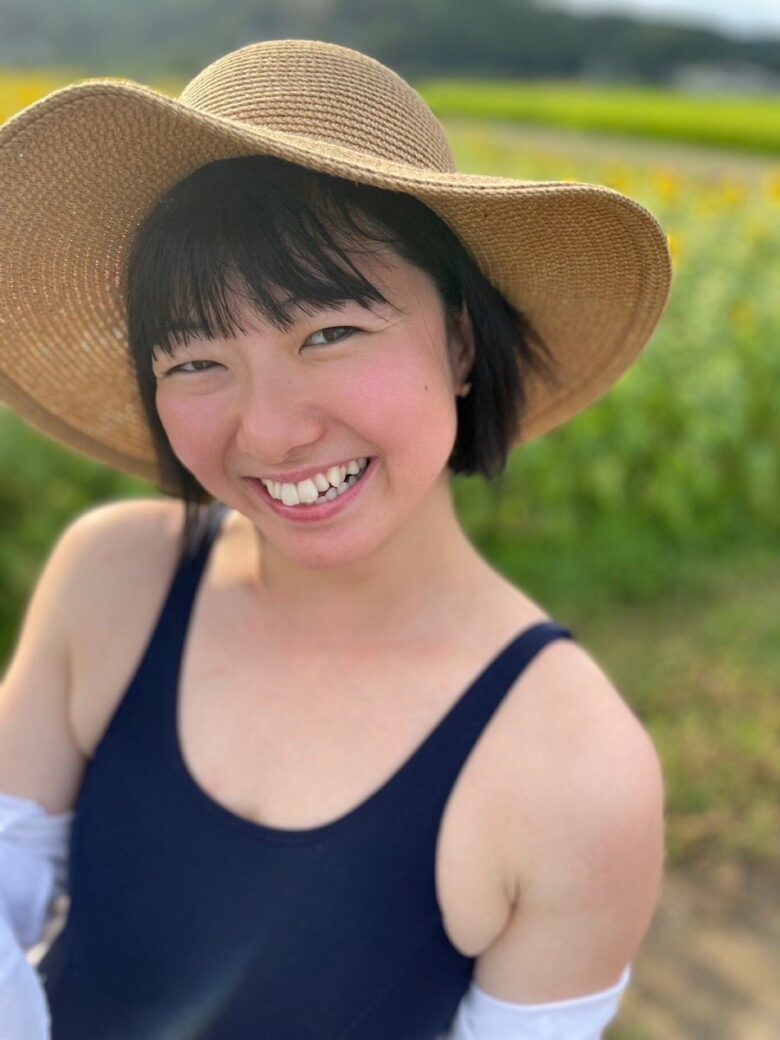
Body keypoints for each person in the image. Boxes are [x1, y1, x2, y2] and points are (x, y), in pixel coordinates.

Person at [0, 38, 671, 1040]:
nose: (270, 432)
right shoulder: (115, 579)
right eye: (194, 360)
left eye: (329, 333)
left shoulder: (578, 775)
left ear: (460, 341)